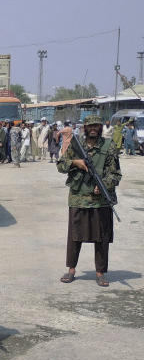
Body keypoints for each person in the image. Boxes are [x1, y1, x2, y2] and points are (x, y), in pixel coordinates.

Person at [57, 116, 122, 287]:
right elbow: (61, 166)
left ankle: (100, 272)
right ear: (85, 128)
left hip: (101, 201)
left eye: (96, 126)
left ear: (101, 127)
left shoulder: (109, 147)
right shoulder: (76, 146)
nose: (93, 128)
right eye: (90, 126)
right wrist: (75, 162)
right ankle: (71, 269)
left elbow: (116, 174)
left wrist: (104, 186)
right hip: (78, 199)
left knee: (102, 237)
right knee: (74, 236)